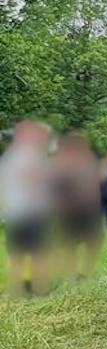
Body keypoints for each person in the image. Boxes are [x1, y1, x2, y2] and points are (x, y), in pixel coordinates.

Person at [0, 120, 53, 296]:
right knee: (39, 251)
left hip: (14, 213)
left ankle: (16, 288)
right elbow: (34, 180)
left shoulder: (8, 157)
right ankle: (40, 287)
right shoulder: (32, 156)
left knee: (16, 252)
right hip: (33, 212)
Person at [53, 132, 105, 279]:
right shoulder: (60, 164)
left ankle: (86, 271)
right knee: (69, 241)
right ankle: (72, 272)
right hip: (68, 210)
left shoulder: (89, 163)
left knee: (94, 239)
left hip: (89, 208)